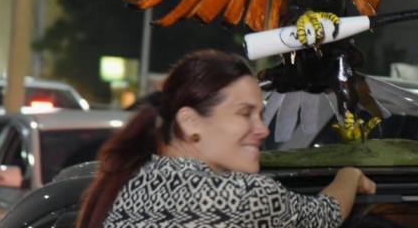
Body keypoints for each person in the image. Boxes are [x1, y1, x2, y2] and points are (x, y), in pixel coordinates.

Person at [76, 49, 375, 228]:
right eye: (245, 113)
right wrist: (349, 176)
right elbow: (324, 214)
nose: (262, 129)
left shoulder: (128, 185)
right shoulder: (243, 196)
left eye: (261, 114)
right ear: (191, 122)